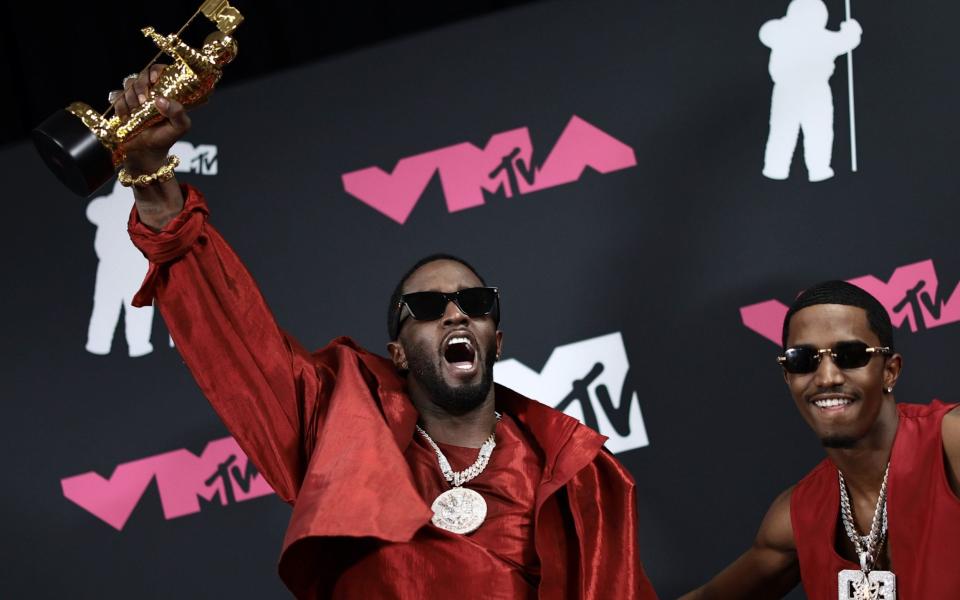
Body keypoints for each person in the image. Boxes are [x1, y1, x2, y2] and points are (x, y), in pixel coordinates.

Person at [110, 67, 658, 599]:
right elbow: (236, 341)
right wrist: (156, 186)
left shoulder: (575, 476)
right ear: (396, 353)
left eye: (474, 302)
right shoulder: (337, 436)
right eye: (425, 306)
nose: (454, 314)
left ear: (497, 338)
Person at [682, 281, 960, 599]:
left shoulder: (949, 443)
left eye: (851, 355)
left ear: (890, 371)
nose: (827, 377)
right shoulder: (795, 517)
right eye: (803, 360)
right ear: (789, 377)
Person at [759, 0, 861, 182]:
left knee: (810, 130)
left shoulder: (786, 33)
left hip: (807, 90)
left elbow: (766, 32)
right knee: (800, 130)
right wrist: (851, 31)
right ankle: (800, 168)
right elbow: (846, 41)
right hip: (796, 89)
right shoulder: (790, 33)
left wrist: (851, 33)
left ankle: (803, 167)